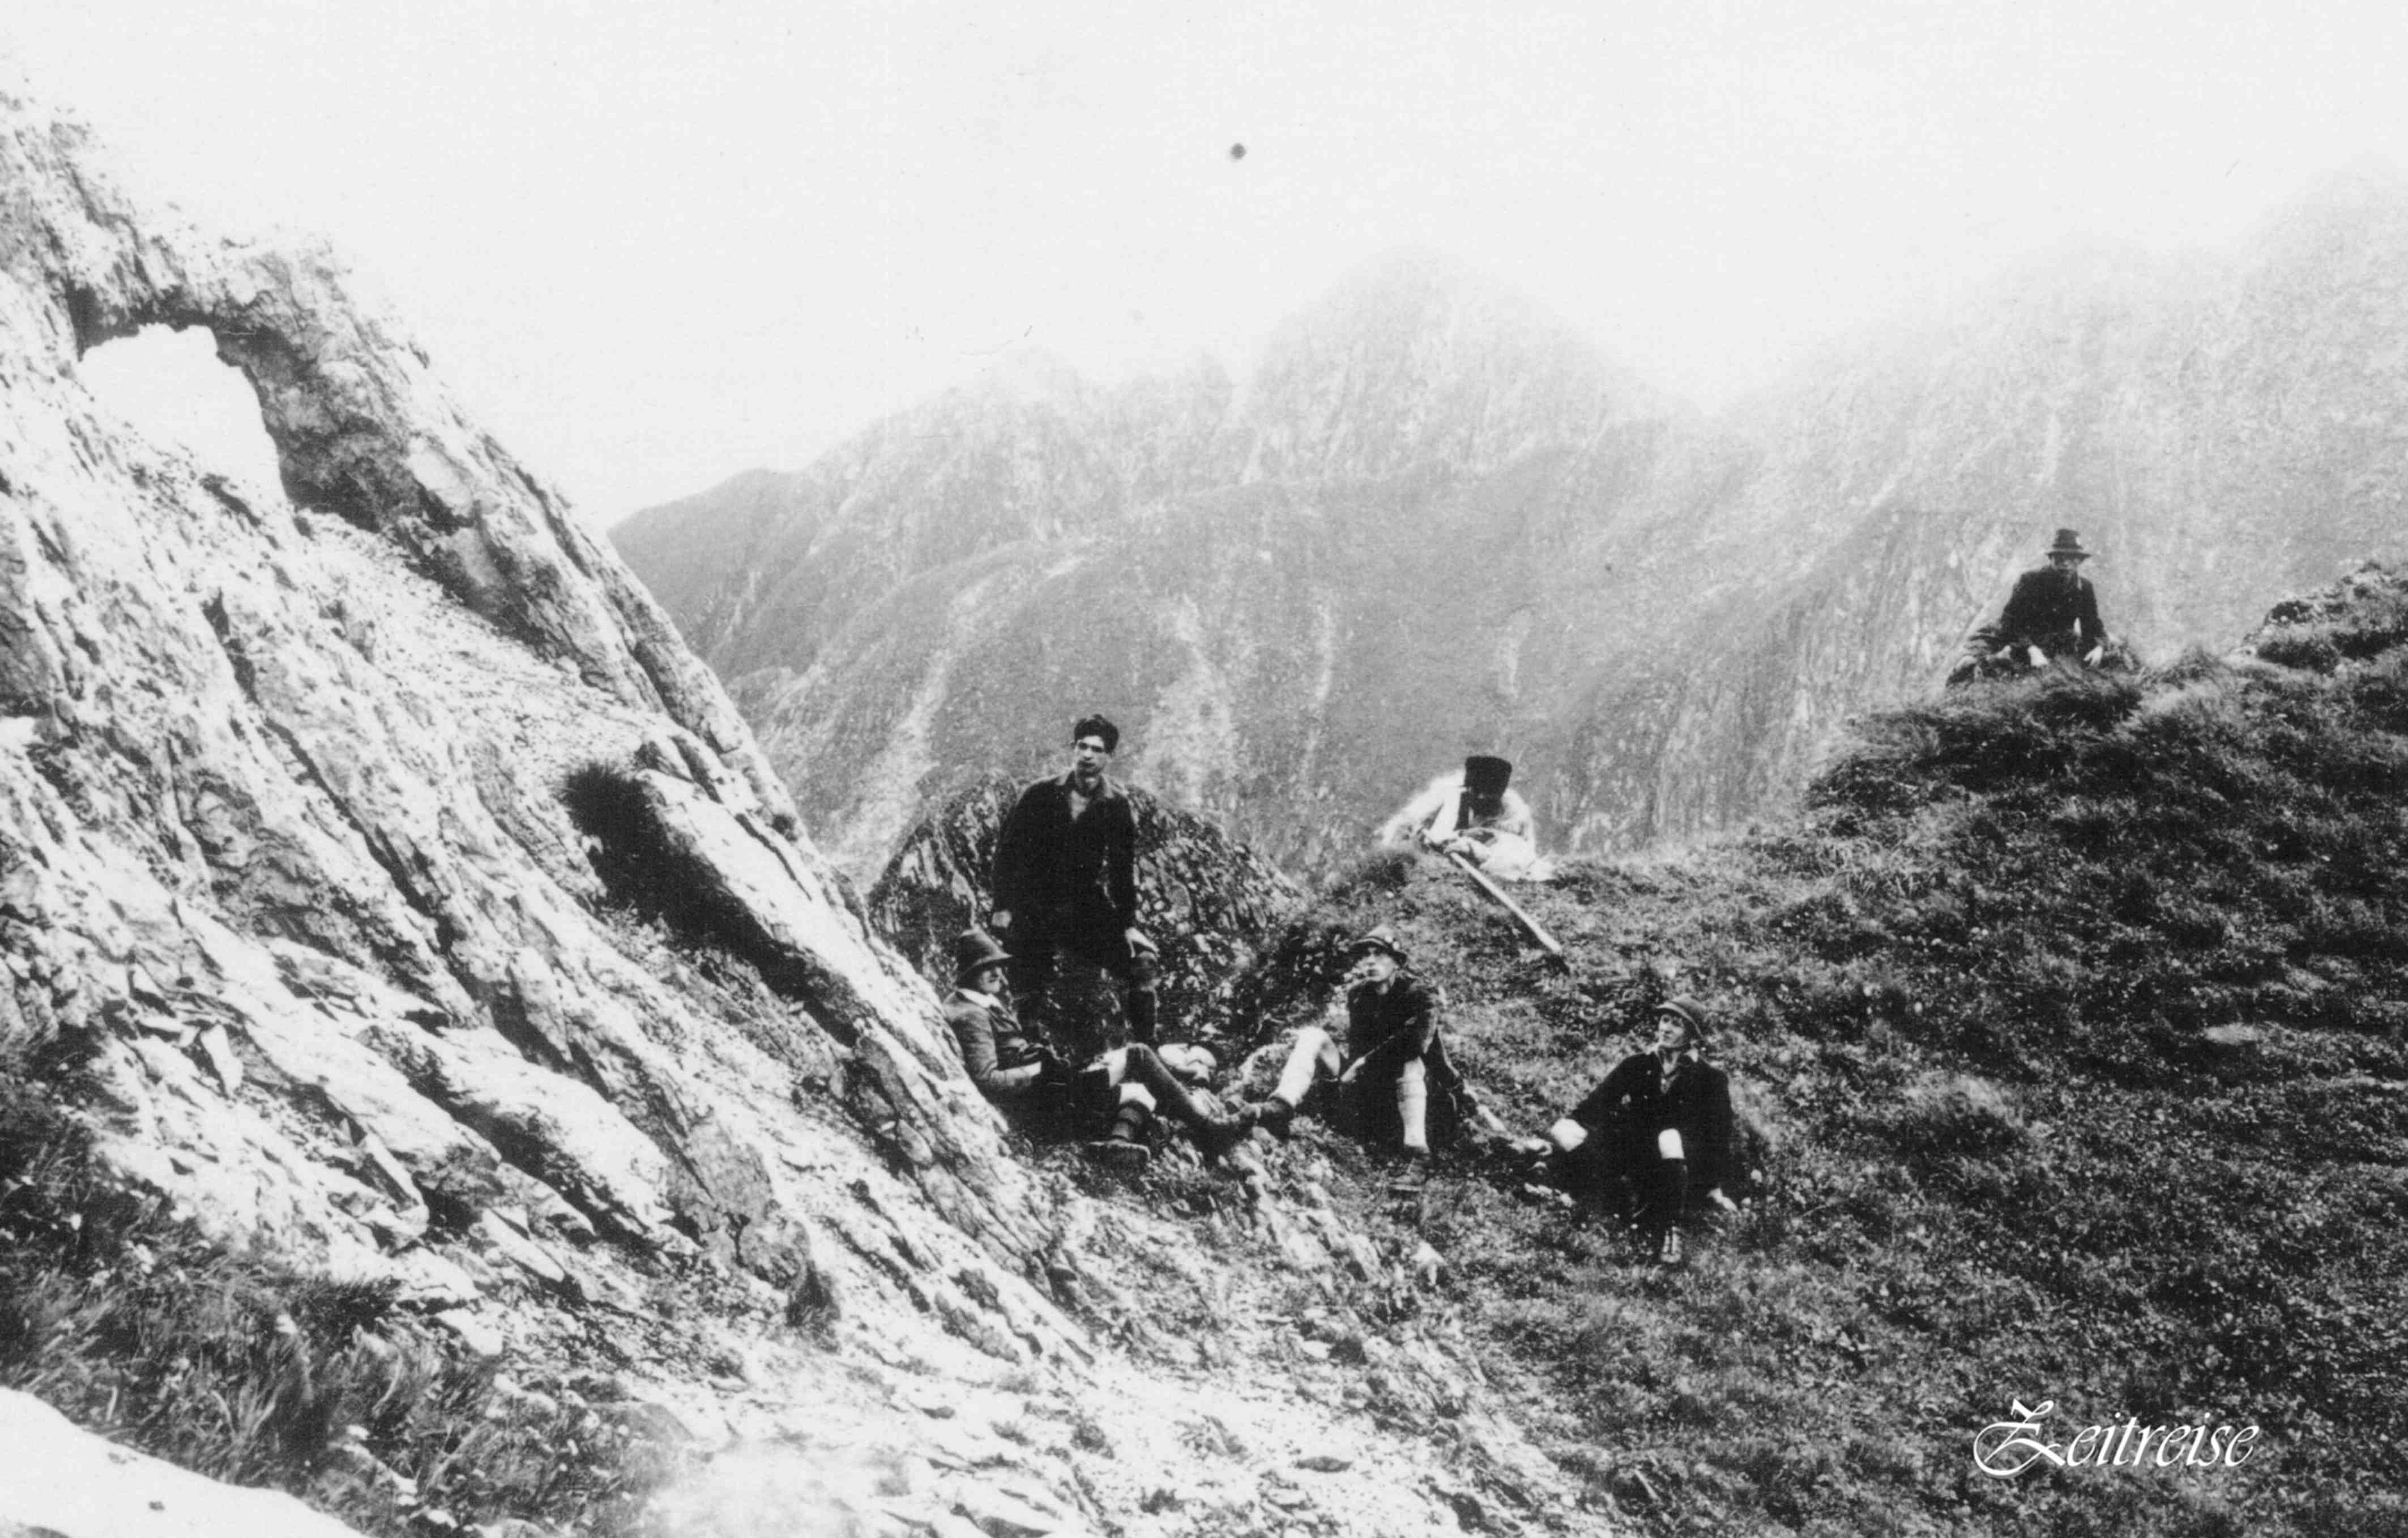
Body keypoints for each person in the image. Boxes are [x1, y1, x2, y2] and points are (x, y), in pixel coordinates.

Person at [943, 929, 1245, 1164]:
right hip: (1040, 1098)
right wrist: (1037, 1068)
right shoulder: (972, 1015)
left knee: (1141, 1090)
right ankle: (1208, 1128)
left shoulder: (978, 1001)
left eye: (998, 965)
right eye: (987, 968)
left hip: (1047, 1088)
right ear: (969, 972)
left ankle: (1116, 1145)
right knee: (1139, 1055)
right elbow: (987, 1079)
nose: (998, 973)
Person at [990, 714, 1161, 1052]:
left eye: (1097, 750)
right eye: (1082, 746)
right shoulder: (1040, 793)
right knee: (1027, 978)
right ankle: (1027, 1050)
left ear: (1109, 756)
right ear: (1073, 748)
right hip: (1035, 900)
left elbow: (1121, 870)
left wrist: (1127, 925)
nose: (1087, 755)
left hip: (1083, 904)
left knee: (1141, 963)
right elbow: (1007, 852)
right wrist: (1003, 907)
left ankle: (1147, 1049)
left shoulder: (1116, 805)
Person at [1249, 925, 1465, 1173]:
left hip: (1425, 1098)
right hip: (1374, 1094)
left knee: (1410, 1060)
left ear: (1397, 962)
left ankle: (1418, 1154)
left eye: (1379, 954)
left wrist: (1364, 1064)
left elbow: (1416, 1044)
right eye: (1365, 955)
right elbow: (1358, 1048)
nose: (1370, 961)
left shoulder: (1420, 994)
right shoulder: (1360, 995)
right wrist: (1349, 1077)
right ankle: (1281, 1106)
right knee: (1313, 1036)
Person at [1542, 997, 1736, 1264]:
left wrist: (1714, 1185)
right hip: (1636, 1153)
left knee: (1669, 1136)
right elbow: (1595, 1105)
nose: (1665, 1028)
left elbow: (1719, 1135)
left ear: (1692, 1035)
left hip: (1678, 1162)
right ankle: (1591, 1190)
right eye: (1665, 1020)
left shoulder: (1710, 1078)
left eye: (1676, 1024)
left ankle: (1671, 1228)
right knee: (1564, 1130)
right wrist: (1563, 1132)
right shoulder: (1637, 1064)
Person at [1381, 755, 1550, 881]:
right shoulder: (1449, 796)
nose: (1482, 799)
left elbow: (1527, 850)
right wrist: (1462, 835)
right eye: (1478, 794)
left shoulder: (1515, 813)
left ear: (1500, 794)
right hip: (1433, 847)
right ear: (1469, 789)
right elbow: (1415, 826)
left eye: (1490, 796)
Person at [1988, 528, 2110, 670]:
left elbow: (2092, 624)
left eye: (2072, 558)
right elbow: (2010, 621)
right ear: (2051, 558)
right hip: (2025, 641)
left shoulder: (2084, 587)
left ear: (2080, 561)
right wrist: (2032, 650)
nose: (2066, 564)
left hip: (2059, 645)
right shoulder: (2029, 581)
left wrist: (2099, 647)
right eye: (2060, 558)